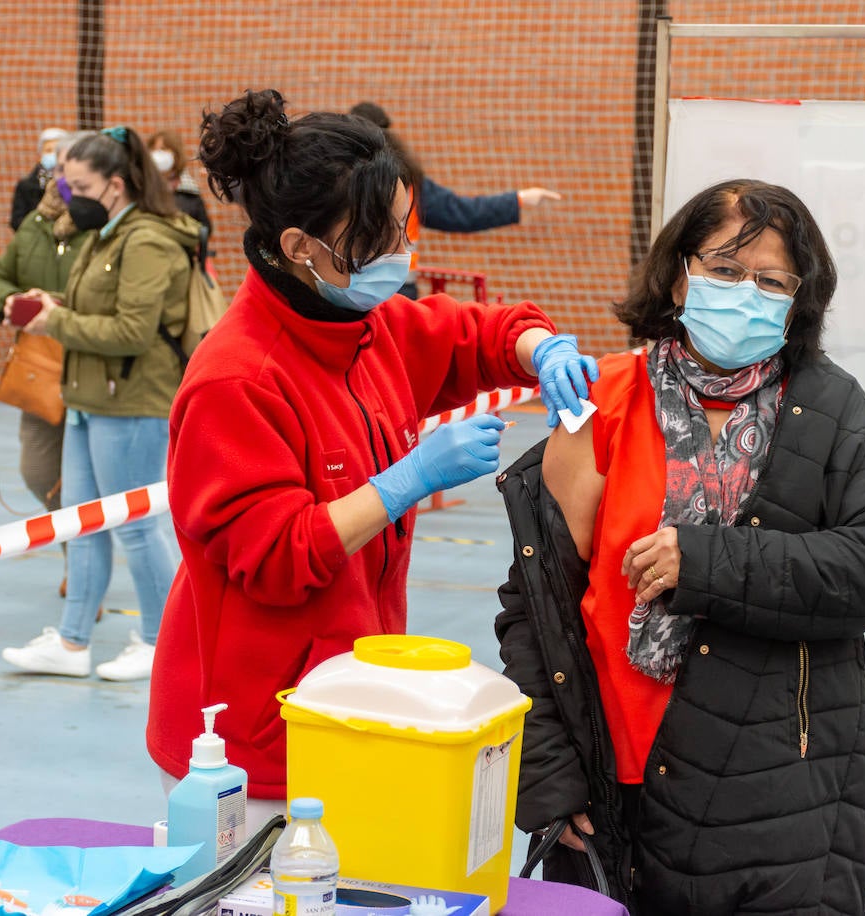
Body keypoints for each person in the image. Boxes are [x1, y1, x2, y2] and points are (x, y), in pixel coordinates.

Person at [144, 90, 598, 826]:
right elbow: (275, 555)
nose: (401, 257)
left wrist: (537, 347)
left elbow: (471, 334)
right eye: (379, 239)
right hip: (248, 742)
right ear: (300, 247)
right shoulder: (238, 380)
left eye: (402, 231)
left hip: (344, 698)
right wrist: (404, 481)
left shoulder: (364, 322)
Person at [494, 179, 865, 914]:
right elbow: (537, 614)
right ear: (678, 271)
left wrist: (704, 562)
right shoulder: (603, 402)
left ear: (799, 299)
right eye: (724, 269)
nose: (744, 292)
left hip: (780, 801)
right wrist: (549, 780)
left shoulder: (832, 407)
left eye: (770, 280)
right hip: (615, 795)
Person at [1, 126, 202, 682]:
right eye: (66, 185)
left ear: (115, 184)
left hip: (134, 399)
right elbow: (95, 306)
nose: (72, 196)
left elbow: (135, 331)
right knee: (80, 522)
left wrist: (55, 320)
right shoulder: (102, 235)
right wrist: (53, 302)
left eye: (81, 185)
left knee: (137, 526)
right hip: (88, 396)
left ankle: (162, 640)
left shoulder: (149, 240)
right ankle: (71, 642)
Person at [0, 130, 93, 523]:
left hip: (95, 368)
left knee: (96, 481)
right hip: (40, 367)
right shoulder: (35, 223)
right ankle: (73, 543)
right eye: (62, 169)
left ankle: (82, 561)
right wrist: (7, 302)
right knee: (37, 470)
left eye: (76, 171)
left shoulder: (108, 227)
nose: (67, 178)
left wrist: (57, 307)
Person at [349, 101, 561, 298]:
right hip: (397, 291)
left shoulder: (344, 181)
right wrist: (519, 199)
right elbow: (463, 212)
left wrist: (517, 201)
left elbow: (461, 212)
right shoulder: (409, 182)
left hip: (365, 289)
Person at [146, 129, 211, 232]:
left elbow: (205, 229)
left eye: (163, 149)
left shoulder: (189, 192)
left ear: (175, 154)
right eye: (154, 150)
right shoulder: (142, 189)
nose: (158, 154)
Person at [11, 127, 67, 231]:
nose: (52, 155)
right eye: (48, 150)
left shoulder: (73, 184)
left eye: (56, 151)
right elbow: (16, 221)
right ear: (40, 154)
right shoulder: (27, 186)